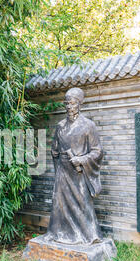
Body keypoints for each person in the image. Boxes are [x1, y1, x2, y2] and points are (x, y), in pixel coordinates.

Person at [42, 87, 104, 245]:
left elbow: (97, 151)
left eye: (72, 103)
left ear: (79, 104)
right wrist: (58, 168)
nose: (69, 107)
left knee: (82, 203)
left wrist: (82, 159)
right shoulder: (60, 126)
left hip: (79, 172)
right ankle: (56, 233)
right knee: (59, 204)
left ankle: (89, 235)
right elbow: (54, 150)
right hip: (63, 171)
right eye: (66, 104)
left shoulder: (88, 125)